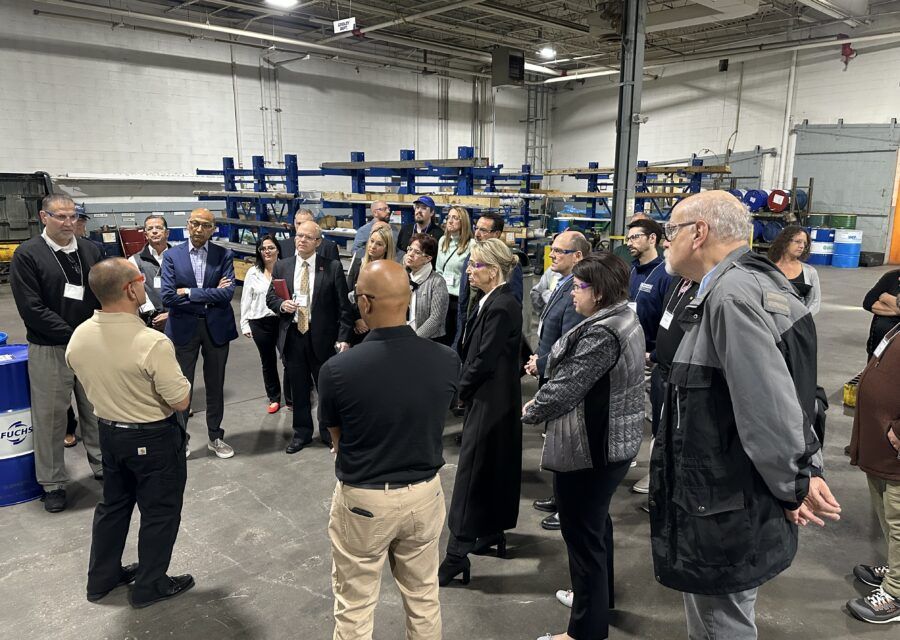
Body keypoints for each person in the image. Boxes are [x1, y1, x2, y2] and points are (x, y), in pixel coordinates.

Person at [650, 191, 841, 639]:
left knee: (720, 621)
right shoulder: (758, 281)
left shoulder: (730, 296)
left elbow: (768, 405)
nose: (664, 243)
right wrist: (802, 470)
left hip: (721, 498)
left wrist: (794, 480)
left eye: (670, 232)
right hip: (734, 491)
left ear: (699, 233)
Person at [319, 259, 459, 640]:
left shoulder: (338, 369)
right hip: (424, 496)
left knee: (355, 606)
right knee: (424, 596)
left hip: (365, 501)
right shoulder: (446, 360)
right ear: (409, 299)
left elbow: (335, 437)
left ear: (364, 303)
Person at [522, 253, 645, 640]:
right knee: (595, 527)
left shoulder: (603, 333)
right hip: (612, 444)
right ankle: (598, 601)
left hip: (593, 447)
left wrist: (530, 409)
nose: (573, 294)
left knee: (582, 536)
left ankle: (584, 632)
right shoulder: (623, 317)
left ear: (601, 291)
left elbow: (567, 387)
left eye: (579, 287)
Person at [65, 258, 194, 608]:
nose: (144, 284)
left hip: (108, 433)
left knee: (113, 505)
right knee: (160, 511)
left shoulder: (79, 335)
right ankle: (151, 584)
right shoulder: (150, 341)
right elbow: (180, 400)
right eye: (141, 279)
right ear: (130, 288)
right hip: (152, 438)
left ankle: (102, 578)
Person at [9, 194, 104, 513]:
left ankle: (104, 467)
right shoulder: (27, 254)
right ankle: (52, 483)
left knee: (96, 411)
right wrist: (75, 334)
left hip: (91, 348)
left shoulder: (90, 250)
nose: (68, 223)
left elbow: (103, 295)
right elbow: (31, 308)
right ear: (43, 217)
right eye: (60, 217)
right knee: (50, 418)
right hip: (49, 348)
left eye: (73, 217)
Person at [439, 239, 522, 585]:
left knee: (471, 474)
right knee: (491, 468)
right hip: (494, 399)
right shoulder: (494, 301)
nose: (470, 271)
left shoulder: (502, 305)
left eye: (476, 266)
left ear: (495, 269)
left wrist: (458, 392)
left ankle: (456, 553)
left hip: (490, 401)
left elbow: (483, 360)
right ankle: (491, 532)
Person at [266, 220, 353, 454]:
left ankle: (328, 431)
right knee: (299, 388)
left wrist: (343, 337)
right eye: (299, 235)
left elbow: (343, 307)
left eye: (307, 237)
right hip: (294, 336)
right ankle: (301, 433)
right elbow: (270, 298)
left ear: (318, 241)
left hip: (323, 338)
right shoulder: (282, 266)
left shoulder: (332, 267)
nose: (301, 240)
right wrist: (282, 304)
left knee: (326, 389)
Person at [524, 230, 591, 532]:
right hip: (549, 370)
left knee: (567, 446)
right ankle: (559, 496)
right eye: (552, 250)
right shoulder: (561, 282)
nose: (553, 255)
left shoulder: (580, 289)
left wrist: (543, 362)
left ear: (578, 256)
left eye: (560, 251)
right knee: (555, 443)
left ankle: (569, 507)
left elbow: (569, 341)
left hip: (562, 379)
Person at [160, 207, 238, 460]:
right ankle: (180, 438)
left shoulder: (223, 254)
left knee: (216, 385)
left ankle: (215, 436)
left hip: (216, 328)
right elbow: (169, 296)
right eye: (195, 224)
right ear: (187, 224)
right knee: (183, 386)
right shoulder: (172, 256)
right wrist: (208, 295)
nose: (199, 229)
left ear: (213, 229)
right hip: (183, 329)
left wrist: (190, 293)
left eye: (206, 225)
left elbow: (227, 294)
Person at [846, 318, 900, 623]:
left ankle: (897, 593)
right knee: (887, 514)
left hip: (896, 451)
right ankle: (895, 568)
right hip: (883, 450)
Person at [453, 212, 524, 349]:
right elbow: (464, 301)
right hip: (466, 332)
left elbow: (512, 305)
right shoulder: (471, 257)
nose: (477, 234)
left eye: (483, 230)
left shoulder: (508, 263)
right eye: (476, 228)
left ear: (497, 234)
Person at [240, 234, 284, 414]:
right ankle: (274, 397)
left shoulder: (286, 268)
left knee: (289, 359)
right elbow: (245, 299)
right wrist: (244, 323)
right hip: (259, 322)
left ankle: (291, 396)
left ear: (278, 249)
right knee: (268, 361)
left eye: (271, 248)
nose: (267, 251)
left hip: (282, 320)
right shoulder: (253, 272)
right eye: (263, 248)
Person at [346, 224, 396, 345]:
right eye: (372, 241)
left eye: (379, 244)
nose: (373, 246)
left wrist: (372, 322)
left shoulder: (391, 270)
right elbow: (348, 293)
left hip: (380, 327)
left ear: (386, 248)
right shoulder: (358, 263)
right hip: (357, 324)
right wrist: (357, 319)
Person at [435, 206, 473, 346]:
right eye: (449, 217)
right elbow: (438, 269)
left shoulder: (471, 245)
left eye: (455, 218)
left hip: (459, 299)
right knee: (441, 336)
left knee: (456, 336)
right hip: (442, 296)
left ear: (464, 222)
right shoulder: (442, 241)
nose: (450, 221)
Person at [130, 214, 172, 331]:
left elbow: (186, 286)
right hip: (151, 322)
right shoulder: (135, 260)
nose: (154, 231)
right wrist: (153, 315)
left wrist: (171, 314)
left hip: (177, 318)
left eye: (158, 228)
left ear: (167, 233)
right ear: (145, 235)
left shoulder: (179, 257)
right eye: (150, 229)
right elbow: (136, 291)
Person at [405, 233, 449, 340]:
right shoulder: (404, 276)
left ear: (428, 258)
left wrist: (415, 338)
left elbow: (436, 319)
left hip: (429, 340)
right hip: (405, 337)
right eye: (410, 249)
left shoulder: (437, 282)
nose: (410, 254)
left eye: (417, 252)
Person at [768, 225, 821, 315]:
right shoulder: (768, 268)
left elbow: (815, 302)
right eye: (798, 242)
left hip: (800, 323)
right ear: (785, 242)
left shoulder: (810, 272)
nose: (802, 246)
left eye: (804, 243)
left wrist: (802, 319)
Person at [862, 269, 900, 360]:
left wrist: (885, 298)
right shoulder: (891, 277)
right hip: (878, 350)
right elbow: (868, 303)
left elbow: (879, 298)